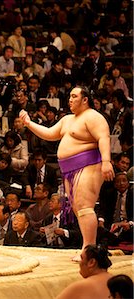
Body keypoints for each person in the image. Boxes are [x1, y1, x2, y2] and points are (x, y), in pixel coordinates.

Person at [19, 86, 114, 260]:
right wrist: (29, 123)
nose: (70, 99)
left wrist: (107, 161)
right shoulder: (68, 119)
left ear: (85, 99)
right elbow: (49, 134)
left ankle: (89, 249)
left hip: (89, 164)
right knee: (79, 209)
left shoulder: (93, 116)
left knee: (85, 207)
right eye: (69, 96)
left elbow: (103, 137)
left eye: (74, 96)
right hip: (70, 169)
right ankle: (88, 246)